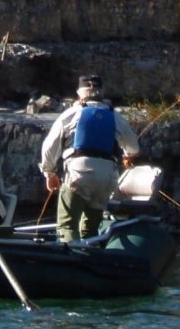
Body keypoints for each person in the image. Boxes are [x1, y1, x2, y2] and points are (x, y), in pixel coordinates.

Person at [39, 75, 140, 242]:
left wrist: (49, 173)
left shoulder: (71, 114)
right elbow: (134, 146)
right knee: (90, 229)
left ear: (79, 94)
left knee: (67, 226)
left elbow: (50, 146)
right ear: (102, 93)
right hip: (106, 178)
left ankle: (70, 261)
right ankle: (91, 256)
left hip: (79, 174)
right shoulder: (115, 116)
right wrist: (128, 155)